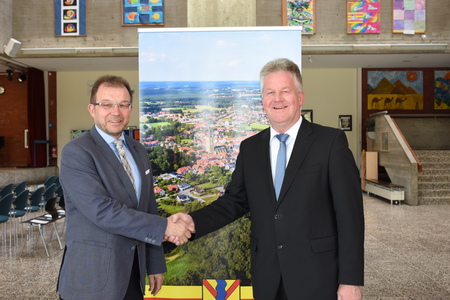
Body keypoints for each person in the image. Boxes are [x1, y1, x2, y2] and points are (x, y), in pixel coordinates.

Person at [171, 58, 364, 299]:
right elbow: (233, 202)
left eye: (285, 91)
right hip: (268, 277)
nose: (278, 99)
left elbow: (350, 216)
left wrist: (350, 280)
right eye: (270, 92)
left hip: (318, 276)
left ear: (300, 97)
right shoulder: (251, 148)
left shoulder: (330, 143)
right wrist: (191, 221)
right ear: (263, 101)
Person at [57, 75, 193, 300]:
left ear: (130, 109)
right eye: (107, 104)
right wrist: (165, 228)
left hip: (133, 275)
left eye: (123, 105)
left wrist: (155, 263)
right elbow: (102, 210)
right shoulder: (77, 152)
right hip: (93, 278)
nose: (116, 112)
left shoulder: (137, 149)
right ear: (92, 109)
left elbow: (147, 206)